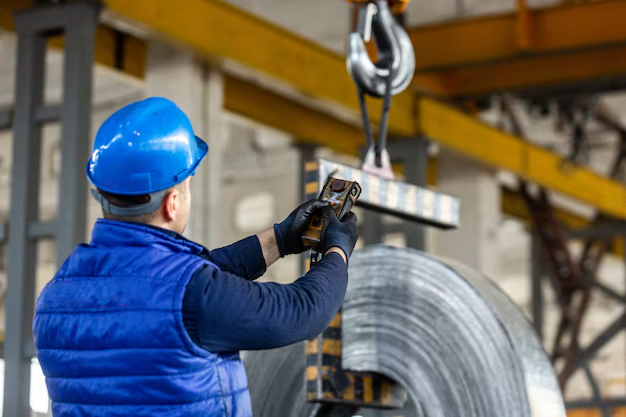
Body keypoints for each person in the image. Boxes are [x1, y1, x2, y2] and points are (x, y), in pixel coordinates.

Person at [32, 97, 358, 417]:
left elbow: (170, 286)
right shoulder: (193, 296)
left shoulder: (55, 297)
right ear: (172, 202)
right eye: (188, 185)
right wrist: (337, 248)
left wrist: (280, 239)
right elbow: (303, 311)